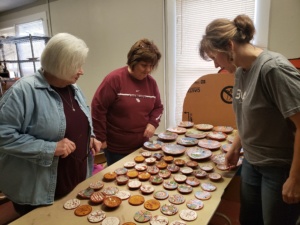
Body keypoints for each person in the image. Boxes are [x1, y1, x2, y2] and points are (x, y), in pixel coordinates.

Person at [199, 14, 300, 225]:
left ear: (229, 46)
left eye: (214, 57)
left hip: (279, 168)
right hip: (252, 163)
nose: (214, 64)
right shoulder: (239, 72)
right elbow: (247, 115)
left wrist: (296, 178)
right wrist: (236, 146)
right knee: (248, 220)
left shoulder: (272, 69)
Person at [0, 33, 101, 224]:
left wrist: (91, 136)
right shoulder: (23, 91)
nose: (82, 71)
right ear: (61, 65)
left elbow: (80, 119)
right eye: (77, 66)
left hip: (74, 180)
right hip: (38, 191)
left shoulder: (73, 87)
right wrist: (50, 148)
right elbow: (3, 135)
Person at [91, 38, 163, 166]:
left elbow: (158, 108)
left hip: (142, 147)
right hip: (116, 149)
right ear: (133, 61)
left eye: (151, 66)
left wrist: (153, 123)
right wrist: (100, 137)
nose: (148, 70)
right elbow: (98, 108)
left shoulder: (151, 83)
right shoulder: (114, 79)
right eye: (144, 65)